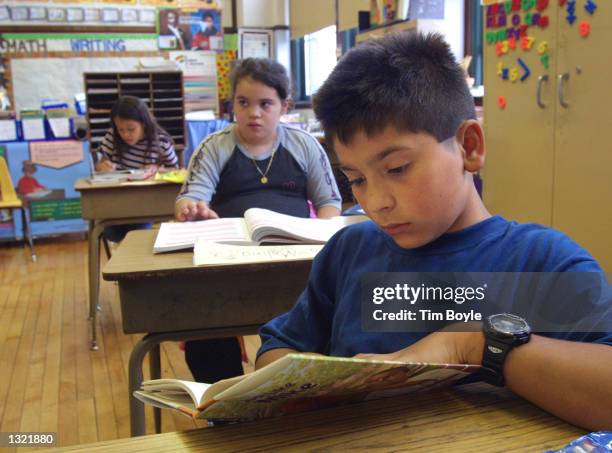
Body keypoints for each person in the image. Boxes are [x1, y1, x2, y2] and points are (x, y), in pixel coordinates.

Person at [255, 33, 612, 430]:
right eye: (355, 179)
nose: (376, 202)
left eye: (397, 169)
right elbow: (278, 349)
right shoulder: (350, 251)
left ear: (469, 146)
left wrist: (473, 345)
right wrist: (305, 390)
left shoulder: (543, 263)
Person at [175, 58, 341, 383]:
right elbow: (191, 195)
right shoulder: (214, 147)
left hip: (294, 264)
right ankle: (224, 405)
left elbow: (330, 203)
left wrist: (320, 242)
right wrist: (190, 209)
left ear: (284, 106)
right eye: (243, 103)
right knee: (205, 337)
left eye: (266, 104)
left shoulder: (304, 145)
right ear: (232, 105)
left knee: (319, 326)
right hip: (226, 268)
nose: (254, 113)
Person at [97, 96, 178, 242]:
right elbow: (100, 165)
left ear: (144, 124)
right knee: (109, 231)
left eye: (131, 129)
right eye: (120, 129)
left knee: (138, 231)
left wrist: (158, 169)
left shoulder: (160, 141)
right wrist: (103, 167)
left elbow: (177, 171)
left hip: (148, 203)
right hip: (117, 202)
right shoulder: (112, 137)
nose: (125, 134)